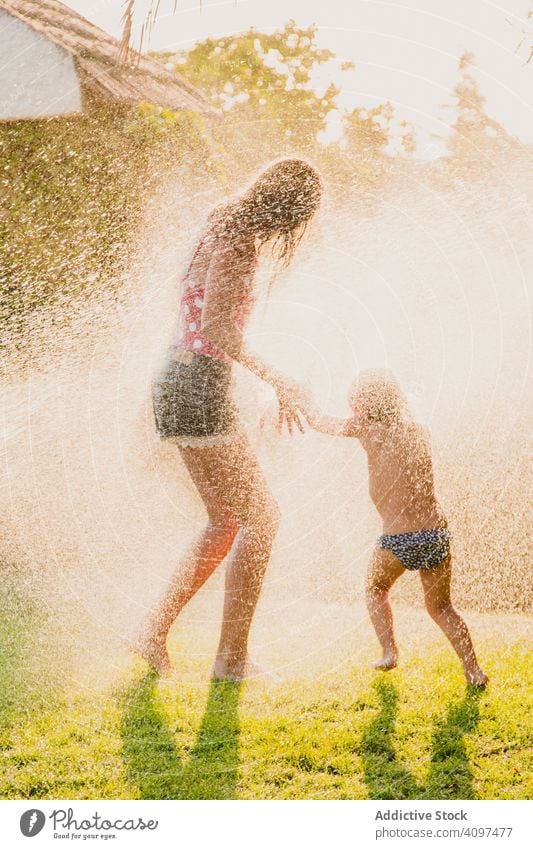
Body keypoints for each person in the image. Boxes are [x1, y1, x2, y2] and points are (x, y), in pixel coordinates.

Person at [137, 158, 322, 680]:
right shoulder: (240, 240)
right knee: (262, 519)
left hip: (179, 378)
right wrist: (279, 379)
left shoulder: (222, 218)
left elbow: (203, 321)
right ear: (291, 213)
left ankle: (150, 633)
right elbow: (219, 328)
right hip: (196, 383)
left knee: (227, 522)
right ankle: (231, 660)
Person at [305, 369, 488, 686]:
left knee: (375, 589)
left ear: (361, 404)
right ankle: (474, 671)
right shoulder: (419, 431)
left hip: (398, 539)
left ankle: (389, 651)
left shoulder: (366, 430)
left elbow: (319, 422)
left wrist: (300, 394)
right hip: (435, 534)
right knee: (443, 608)